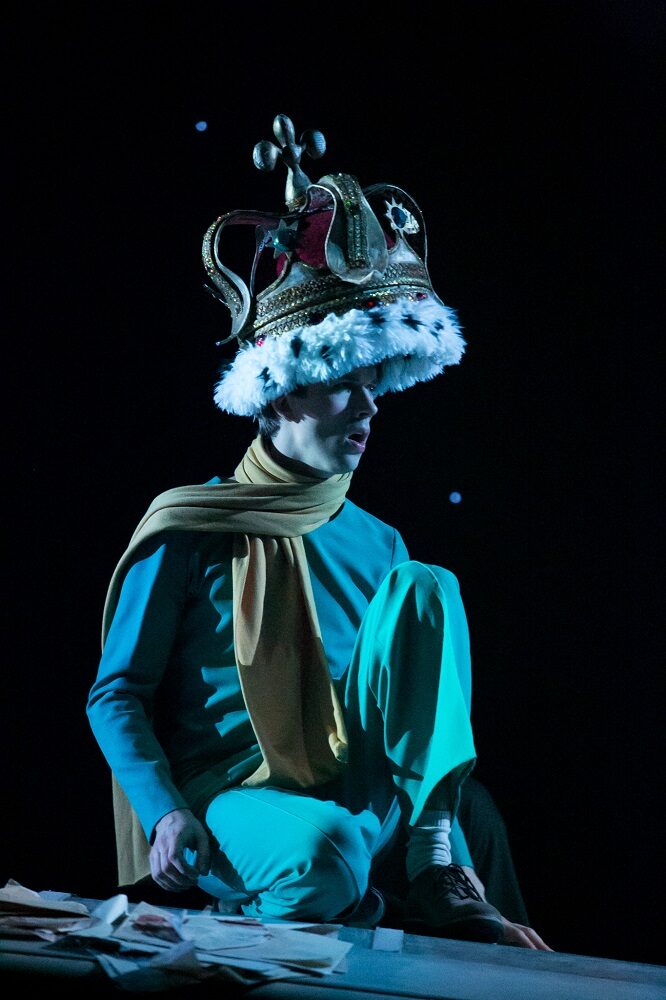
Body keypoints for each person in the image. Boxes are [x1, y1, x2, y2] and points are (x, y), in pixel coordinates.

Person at [87, 114, 551, 950]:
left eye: (375, 382)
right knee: (324, 853)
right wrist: (164, 813)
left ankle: (434, 866)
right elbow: (115, 694)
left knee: (430, 591)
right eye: (343, 381)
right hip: (238, 800)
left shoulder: (382, 544)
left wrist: (432, 826)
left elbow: (405, 731)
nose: (369, 406)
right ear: (281, 391)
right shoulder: (191, 522)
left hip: (362, 795)